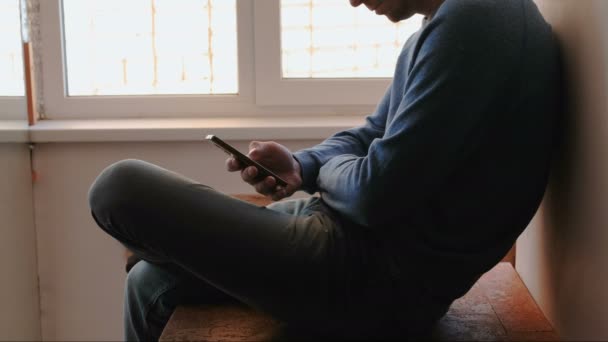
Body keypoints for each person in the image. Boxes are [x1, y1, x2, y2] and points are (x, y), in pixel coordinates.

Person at [88, 0, 559, 340]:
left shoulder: (480, 18)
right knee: (149, 282)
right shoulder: (446, 25)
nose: (352, 0)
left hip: (370, 280)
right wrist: (301, 164)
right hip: (344, 241)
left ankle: (164, 247)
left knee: (119, 187)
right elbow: (373, 133)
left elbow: (376, 191)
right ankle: (165, 252)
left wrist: (324, 170)